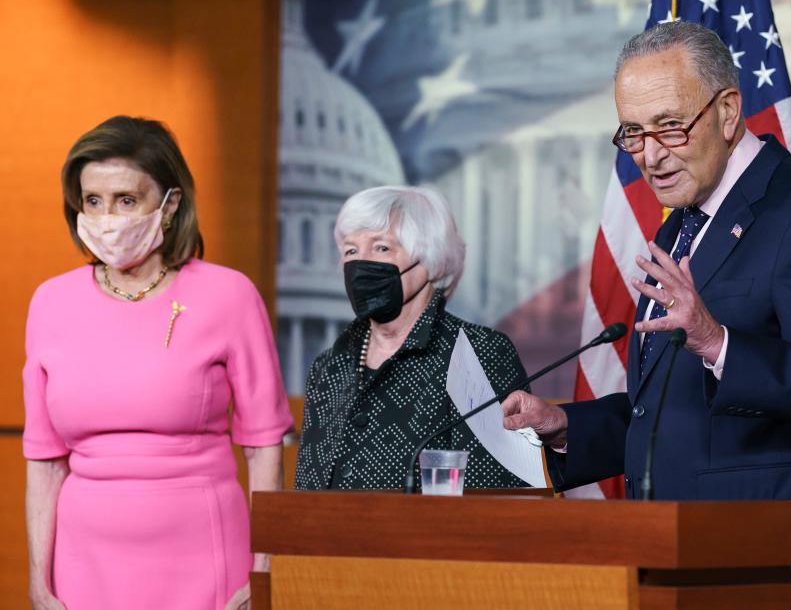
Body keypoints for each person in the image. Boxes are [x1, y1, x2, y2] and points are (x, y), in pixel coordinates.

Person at [502, 22, 791, 610]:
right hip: (683, 569)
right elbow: (672, 414)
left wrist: (719, 342)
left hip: (781, 574)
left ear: (728, 112)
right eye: (633, 133)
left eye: (669, 127)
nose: (650, 157)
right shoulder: (684, 221)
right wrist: (565, 426)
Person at [23, 116, 294, 610]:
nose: (108, 217)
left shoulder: (229, 295)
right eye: (93, 201)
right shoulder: (49, 302)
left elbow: (263, 447)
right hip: (85, 563)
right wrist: (39, 582)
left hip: (206, 554)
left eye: (127, 200)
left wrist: (263, 571)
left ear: (169, 205)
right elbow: (44, 460)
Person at [294, 186, 530, 491]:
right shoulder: (329, 365)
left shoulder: (478, 353)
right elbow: (307, 491)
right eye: (351, 250)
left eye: (381, 248)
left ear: (430, 260)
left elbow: (496, 495)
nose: (360, 263)